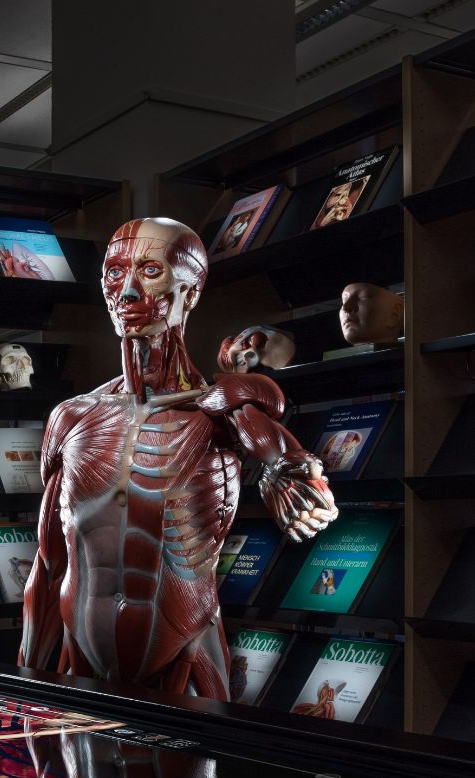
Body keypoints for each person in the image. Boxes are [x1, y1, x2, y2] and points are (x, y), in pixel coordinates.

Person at [19, 218, 337, 696]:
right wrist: (24, 681)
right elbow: (49, 563)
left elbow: (286, 461)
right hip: (78, 666)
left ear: (191, 289)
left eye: (149, 271)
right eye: (113, 273)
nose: (125, 292)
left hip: (186, 662)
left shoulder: (222, 408)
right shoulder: (71, 416)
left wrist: (289, 472)